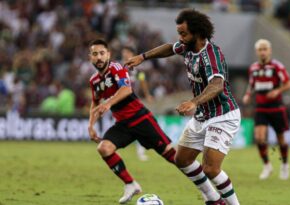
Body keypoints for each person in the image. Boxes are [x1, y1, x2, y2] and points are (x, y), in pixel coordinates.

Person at [125, 9, 240, 205]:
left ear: (198, 33)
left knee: (211, 169)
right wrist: (143, 57)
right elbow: (170, 48)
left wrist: (193, 102)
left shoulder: (210, 55)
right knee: (182, 160)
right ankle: (214, 200)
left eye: (184, 33)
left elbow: (217, 85)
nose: (180, 38)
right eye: (179, 32)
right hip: (203, 115)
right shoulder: (187, 46)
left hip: (223, 115)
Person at [87, 39, 176, 204]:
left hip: (140, 118)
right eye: (94, 54)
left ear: (108, 55)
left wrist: (109, 103)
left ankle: (206, 188)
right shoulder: (94, 81)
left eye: (101, 53)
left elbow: (126, 89)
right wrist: (91, 125)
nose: (98, 57)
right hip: (123, 125)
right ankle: (130, 184)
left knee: (174, 158)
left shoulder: (116, 68)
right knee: (104, 148)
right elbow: (95, 102)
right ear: (90, 57)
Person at [242, 39, 290, 180]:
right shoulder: (253, 68)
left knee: (280, 139)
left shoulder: (277, 66)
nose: (263, 52)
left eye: (265, 49)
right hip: (261, 108)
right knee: (259, 138)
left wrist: (277, 91)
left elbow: (288, 83)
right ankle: (267, 165)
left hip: (276, 107)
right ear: (257, 52)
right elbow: (251, 84)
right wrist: (247, 95)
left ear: (269, 51)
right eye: (260, 49)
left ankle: (285, 165)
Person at [121, 46, 154, 161]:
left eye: (127, 52)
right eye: (124, 52)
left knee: (141, 125)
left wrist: (147, 94)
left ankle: (140, 152)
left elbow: (142, 81)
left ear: (132, 54)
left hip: (134, 101)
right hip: (121, 102)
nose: (125, 54)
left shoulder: (138, 69)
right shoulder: (120, 68)